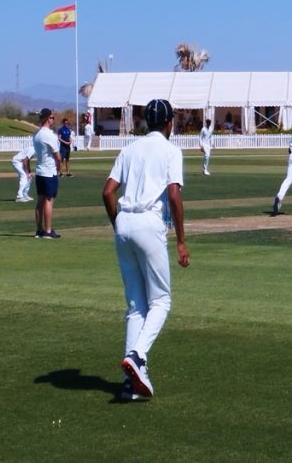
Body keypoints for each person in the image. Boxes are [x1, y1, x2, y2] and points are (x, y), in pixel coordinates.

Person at [101, 98, 190, 401]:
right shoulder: (170, 150)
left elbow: (108, 192)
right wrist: (180, 239)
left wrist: (119, 225)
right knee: (161, 302)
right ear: (169, 124)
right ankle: (137, 358)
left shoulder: (129, 149)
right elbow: (174, 196)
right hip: (149, 223)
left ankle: (130, 383)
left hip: (123, 222)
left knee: (136, 305)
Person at [32, 108, 63, 239]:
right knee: (49, 201)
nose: (53, 120)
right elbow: (58, 156)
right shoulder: (49, 135)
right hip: (49, 172)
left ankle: (39, 230)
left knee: (40, 201)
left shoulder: (36, 134)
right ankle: (48, 231)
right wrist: (59, 169)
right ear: (47, 119)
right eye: (52, 117)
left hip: (39, 171)